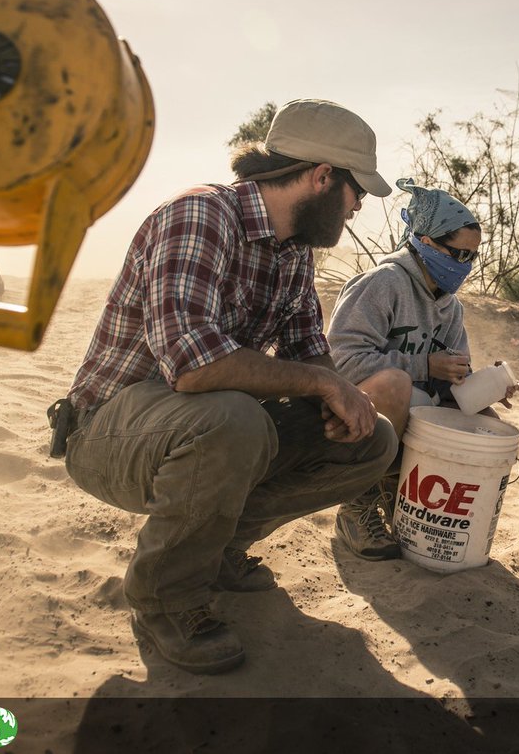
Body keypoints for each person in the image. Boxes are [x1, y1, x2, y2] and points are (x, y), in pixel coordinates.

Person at [53, 99, 399, 674]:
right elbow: (193, 366)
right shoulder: (199, 216)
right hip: (108, 434)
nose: (359, 205)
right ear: (321, 177)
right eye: (356, 189)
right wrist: (318, 382)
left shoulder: (293, 253)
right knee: (233, 417)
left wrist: (339, 398)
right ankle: (164, 597)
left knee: (372, 439)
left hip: (200, 427)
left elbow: (308, 350)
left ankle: (213, 553)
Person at [326, 179, 518, 560]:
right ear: (425, 242)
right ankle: (357, 506)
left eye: (472, 257)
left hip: (412, 415)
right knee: (397, 384)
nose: (464, 266)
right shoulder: (382, 284)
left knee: (485, 419)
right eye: (458, 254)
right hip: (356, 414)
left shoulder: (450, 307)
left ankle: (410, 504)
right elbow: (340, 360)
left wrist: (485, 386)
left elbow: (448, 385)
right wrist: (422, 364)